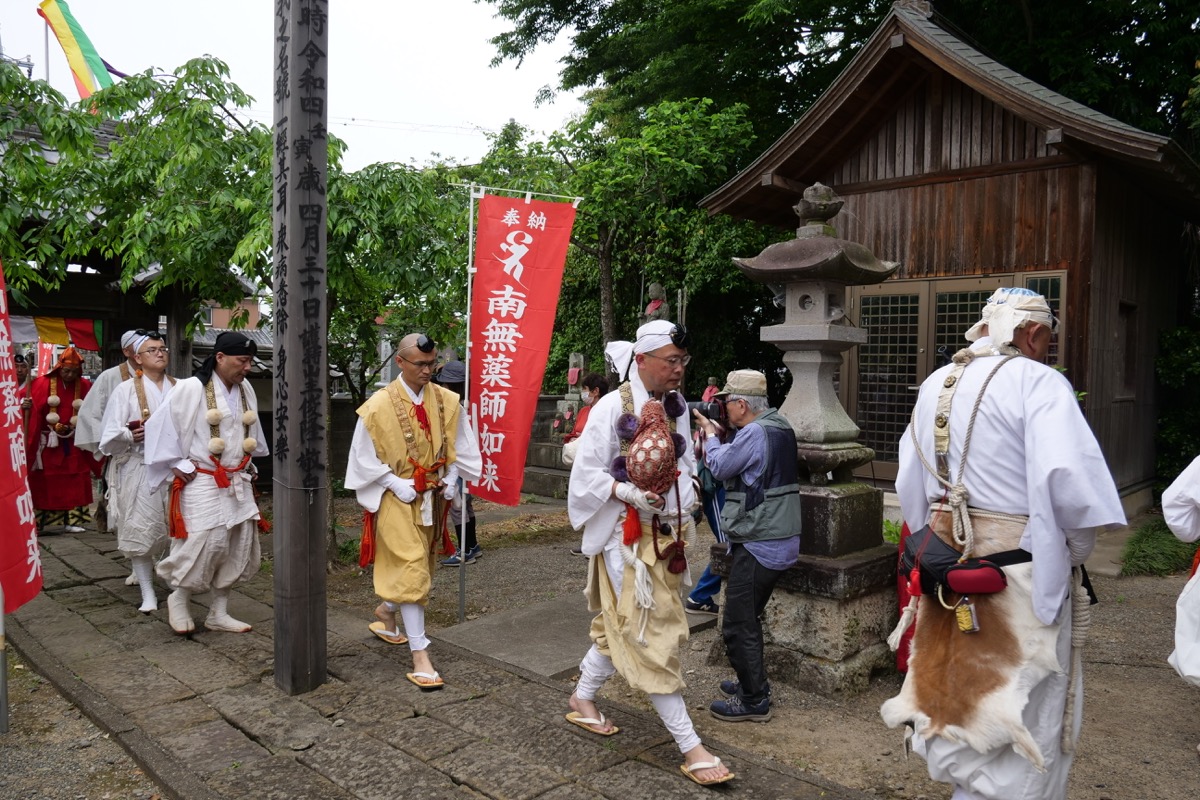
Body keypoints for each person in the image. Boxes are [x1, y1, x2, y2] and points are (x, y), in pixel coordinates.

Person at [881, 287, 1126, 800]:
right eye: (1049, 340)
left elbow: (909, 486)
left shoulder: (933, 384)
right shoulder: (1037, 383)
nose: (1048, 349)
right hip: (1018, 577)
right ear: (1034, 333)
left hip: (948, 573)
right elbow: (1070, 492)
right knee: (1023, 708)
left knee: (958, 692)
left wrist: (945, 544)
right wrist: (1069, 559)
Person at [566, 319, 734, 786]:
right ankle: (690, 745)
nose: (679, 369)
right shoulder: (608, 410)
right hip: (628, 538)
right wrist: (628, 492)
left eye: (683, 361)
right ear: (642, 361)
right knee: (650, 630)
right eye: (671, 361)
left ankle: (582, 698)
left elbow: (684, 462)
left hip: (669, 534)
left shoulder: (675, 406)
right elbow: (586, 476)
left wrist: (691, 492)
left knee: (618, 625)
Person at [344, 333, 482, 688]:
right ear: (400, 362)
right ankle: (420, 654)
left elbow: (463, 445)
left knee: (423, 564)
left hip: (432, 497)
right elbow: (362, 456)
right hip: (397, 496)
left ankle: (386, 611)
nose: (427, 370)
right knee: (411, 565)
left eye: (431, 363)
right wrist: (392, 482)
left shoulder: (449, 401)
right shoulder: (376, 406)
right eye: (420, 364)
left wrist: (452, 476)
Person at [693, 369, 801, 723]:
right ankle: (752, 685)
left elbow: (722, 466)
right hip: (777, 537)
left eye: (726, 402)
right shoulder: (780, 425)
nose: (723, 408)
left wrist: (710, 435)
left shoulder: (754, 433)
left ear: (742, 404)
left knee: (737, 623)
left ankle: (754, 700)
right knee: (748, 619)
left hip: (760, 540)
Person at [143, 331, 268, 634]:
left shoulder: (245, 388)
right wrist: (175, 462)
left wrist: (248, 463)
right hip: (202, 477)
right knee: (204, 542)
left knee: (238, 542)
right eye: (242, 361)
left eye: (250, 362)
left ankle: (219, 612)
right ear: (221, 358)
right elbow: (159, 427)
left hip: (236, 477)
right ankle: (179, 599)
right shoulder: (190, 388)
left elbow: (246, 432)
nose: (247, 368)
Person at [98, 332, 176, 613]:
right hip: (138, 468)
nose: (159, 353)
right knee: (140, 531)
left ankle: (172, 579)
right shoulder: (126, 389)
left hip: (175, 470)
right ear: (138, 358)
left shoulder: (179, 388)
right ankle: (147, 593)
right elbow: (108, 437)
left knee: (176, 530)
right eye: (152, 350)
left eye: (162, 348)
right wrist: (131, 435)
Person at [76, 329, 142, 584]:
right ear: (127, 352)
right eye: (143, 348)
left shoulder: (162, 378)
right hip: (124, 456)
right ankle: (138, 563)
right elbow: (90, 414)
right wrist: (113, 439)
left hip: (156, 457)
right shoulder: (110, 377)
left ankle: (158, 559)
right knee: (127, 510)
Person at [25, 345, 103, 533]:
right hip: (48, 443)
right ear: (59, 367)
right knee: (45, 481)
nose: (69, 375)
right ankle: (40, 522)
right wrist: (25, 405)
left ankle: (72, 521)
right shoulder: (43, 383)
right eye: (66, 371)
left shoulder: (84, 385)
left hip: (73, 440)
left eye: (73, 371)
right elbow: (28, 404)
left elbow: (93, 410)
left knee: (75, 478)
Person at [434, 359, 483, 567]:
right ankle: (473, 546)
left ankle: (465, 550)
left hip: (458, 461)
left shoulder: (454, 406)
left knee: (458, 506)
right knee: (465, 504)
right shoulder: (470, 403)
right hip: (468, 460)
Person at [563, 372, 610, 555]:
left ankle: (598, 545)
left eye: (585, 390)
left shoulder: (606, 410)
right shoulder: (585, 411)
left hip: (597, 463)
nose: (584, 394)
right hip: (582, 460)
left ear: (595, 391)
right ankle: (589, 543)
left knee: (598, 502)